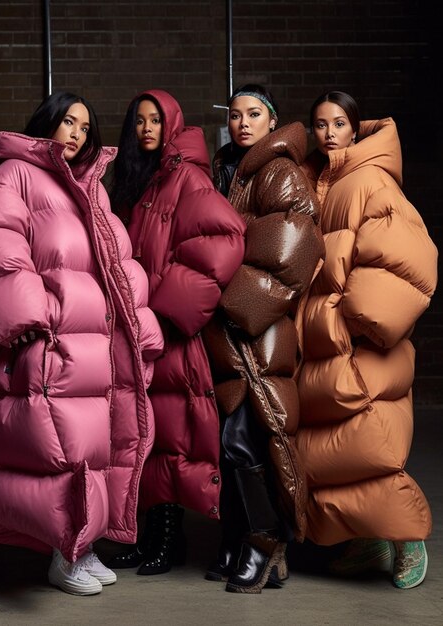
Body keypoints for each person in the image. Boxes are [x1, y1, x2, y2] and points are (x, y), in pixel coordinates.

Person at [0, 92, 163, 597]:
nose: (75, 133)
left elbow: (119, 261)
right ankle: (63, 554)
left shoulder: (91, 189)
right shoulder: (15, 175)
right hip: (52, 344)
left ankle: (82, 545)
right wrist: (26, 315)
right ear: (45, 124)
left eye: (84, 127)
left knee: (94, 451)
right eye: (66, 122)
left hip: (94, 343)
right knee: (62, 452)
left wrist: (141, 325)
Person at [295, 90, 438, 589]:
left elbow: (405, 251)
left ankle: (407, 539)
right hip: (322, 338)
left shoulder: (371, 179)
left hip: (356, 341)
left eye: (338, 123)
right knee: (333, 451)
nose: (328, 132)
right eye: (319, 124)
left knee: (373, 444)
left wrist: (356, 318)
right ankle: (367, 537)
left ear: (355, 129)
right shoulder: (317, 182)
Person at [107, 89, 246, 576]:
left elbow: (225, 239)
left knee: (170, 437)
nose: (146, 128)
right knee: (144, 438)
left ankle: (169, 542)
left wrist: (169, 306)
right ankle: (149, 539)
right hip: (138, 330)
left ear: (172, 125)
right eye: (138, 120)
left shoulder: (186, 176)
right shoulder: (136, 180)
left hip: (168, 333)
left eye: (155, 120)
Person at [200, 84, 325, 593]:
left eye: (254, 114)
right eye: (234, 115)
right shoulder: (226, 172)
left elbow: (295, 250)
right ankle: (240, 537)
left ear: (272, 121)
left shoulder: (278, 171)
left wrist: (231, 299)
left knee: (248, 436)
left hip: (261, 328)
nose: (242, 123)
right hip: (230, 331)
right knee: (233, 436)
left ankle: (266, 540)